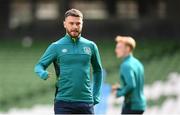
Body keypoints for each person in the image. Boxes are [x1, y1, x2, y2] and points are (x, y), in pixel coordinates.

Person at [34, 9, 103, 114]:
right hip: (63, 102)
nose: (75, 26)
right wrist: (42, 73)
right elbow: (39, 66)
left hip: (86, 102)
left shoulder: (91, 46)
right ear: (65, 24)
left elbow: (98, 70)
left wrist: (96, 95)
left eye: (78, 23)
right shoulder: (56, 46)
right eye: (71, 23)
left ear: (82, 24)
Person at [112, 36, 146, 114]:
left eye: (119, 47)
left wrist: (118, 93)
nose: (116, 50)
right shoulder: (138, 63)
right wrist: (120, 88)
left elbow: (131, 85)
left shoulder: (126, 65)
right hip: (140, 105)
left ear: (127, 49)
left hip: (131, 105)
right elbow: (135, 86)